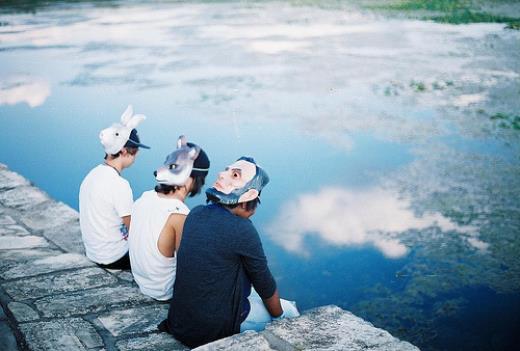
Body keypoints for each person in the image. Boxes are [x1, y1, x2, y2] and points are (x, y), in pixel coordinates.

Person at [159, 156, 299, 348]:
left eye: (234, 174)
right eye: (230, 172)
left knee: (259, 295)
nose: (221, 174)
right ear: (249, 197)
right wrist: (279, 317)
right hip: (212, 331)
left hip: (180, 323)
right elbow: (264, 284)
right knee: (288, 310)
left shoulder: (196, 213)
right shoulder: (242, 229)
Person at [129, 136, 210, 301]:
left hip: (142, 282)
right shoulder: (179, 215)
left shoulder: (145, 197)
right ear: (193, 178)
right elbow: (187, 266)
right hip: (163, 291)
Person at [79, 105, 149, 270]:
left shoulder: (92, 175)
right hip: (114, 257)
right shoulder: (119, 185)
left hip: (94, 252)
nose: (136, 156)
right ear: (124, 151)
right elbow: (133, 228)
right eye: (135, 151)